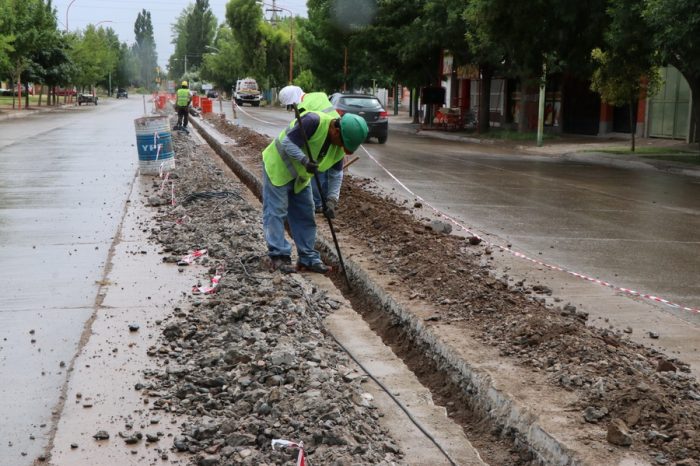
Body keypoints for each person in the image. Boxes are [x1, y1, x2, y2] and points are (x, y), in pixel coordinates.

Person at [262, 110, 368, 274]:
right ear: (335, 129)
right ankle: (279, 257)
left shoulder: (339, 146)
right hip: (279, 168)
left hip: (301, 177)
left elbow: (336, 174)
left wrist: (332, 200)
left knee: (305, 214)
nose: (341, 147)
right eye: (341, 142)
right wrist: (304, 160)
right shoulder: (313, 121)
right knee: (277, 211)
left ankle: (307, 258)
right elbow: (287, 142)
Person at [278, 86, 344, 213]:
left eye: (291, 106)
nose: (292, 109)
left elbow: (299, 131)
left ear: (293, 102)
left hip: (329, 139)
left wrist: (304, 160)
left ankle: (318, 204)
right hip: (337, 138)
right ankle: (325, 203)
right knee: (327, 172)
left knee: (317, 173)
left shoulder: (304, 106)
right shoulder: (319, 95)